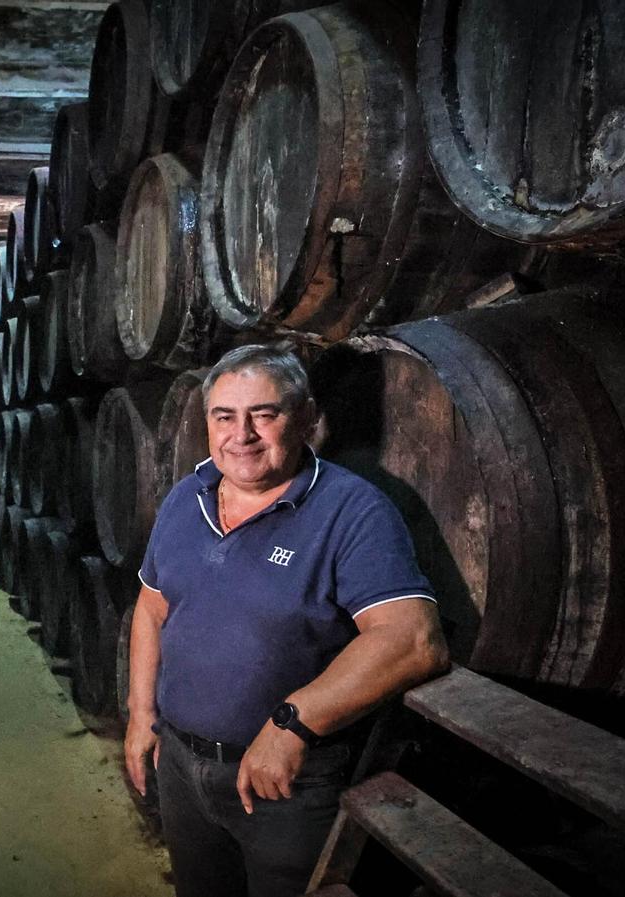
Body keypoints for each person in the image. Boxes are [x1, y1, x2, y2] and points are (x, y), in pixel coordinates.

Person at [125, 343, 449, 897]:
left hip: (287, 782)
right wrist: (139, 713)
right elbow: (152, 609)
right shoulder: (186, 499)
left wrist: (293, 724)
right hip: (180, 765)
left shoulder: (352, 511)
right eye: (224, 416)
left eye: (264, 414)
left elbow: (414, 639)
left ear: (305, 419)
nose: (241, 434)